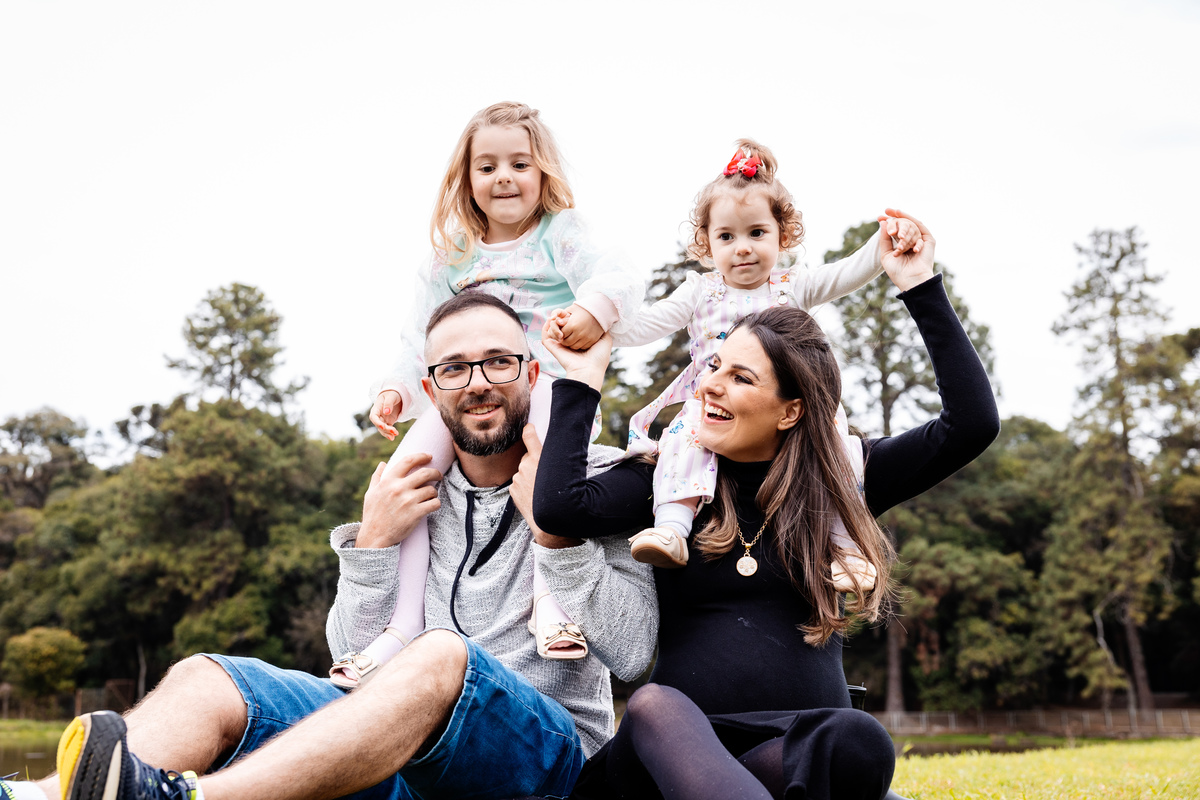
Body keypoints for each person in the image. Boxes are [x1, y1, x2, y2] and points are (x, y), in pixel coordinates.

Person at [30, 293, 657, 800]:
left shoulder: (597, 482)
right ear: (431, 389)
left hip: (547, 761)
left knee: (442, 656)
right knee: (204, 679)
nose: (479, 383)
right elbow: (352, 657)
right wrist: (375, 543)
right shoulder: (406, 494)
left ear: (533, 371)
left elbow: (634, 654)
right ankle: (45, 797)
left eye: (499, 361)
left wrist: (557, 537)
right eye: (455, 368)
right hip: (401, 763)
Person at [532, 210, 1000, 799]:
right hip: (673, 756)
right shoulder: (672, 480)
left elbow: (972, 425)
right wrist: (579, 381)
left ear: (791, 410)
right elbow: (557, 507)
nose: (708, 386)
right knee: (653, 705)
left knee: (857, 740)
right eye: (714, 366)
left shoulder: (842, 480)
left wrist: (919, 287)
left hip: (794, 755)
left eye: (741, 378)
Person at [340, 101, 645, 683]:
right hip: (461, 391)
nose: (504, 176)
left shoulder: (561, 235)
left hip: (549, 382)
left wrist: (589, 311)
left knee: (550, 486)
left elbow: (622, 274)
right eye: (488, 166)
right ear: (468, 179)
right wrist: (396, 391)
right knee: (405, 476)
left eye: (519, 164)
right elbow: (419, 333)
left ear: (543, 174)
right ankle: (399, 626)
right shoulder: (451, 255)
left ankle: (550, 607)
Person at [558, 140, 918, 594]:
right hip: (712, 406)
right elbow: (643, 327)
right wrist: (594, 318)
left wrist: (883, 242)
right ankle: (672, 528)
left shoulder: (794, 285)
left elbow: (847, 273)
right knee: (683, 439)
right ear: (706, 243)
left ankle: (843, 548)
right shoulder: (699, 292)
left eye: (756, 233)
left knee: (838, 449)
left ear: (782, 236)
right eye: (726, 237)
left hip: (788, 404)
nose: (742, 248)